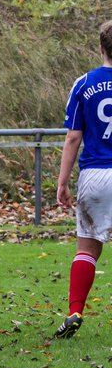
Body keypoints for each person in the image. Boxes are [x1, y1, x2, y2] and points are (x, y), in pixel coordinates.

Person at [54, 20, 112, 339]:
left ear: (101, 47)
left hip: (95, 175)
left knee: (87, 247)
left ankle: (75, 310)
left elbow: (74, 137)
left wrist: (62, 182)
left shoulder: (84, 83)